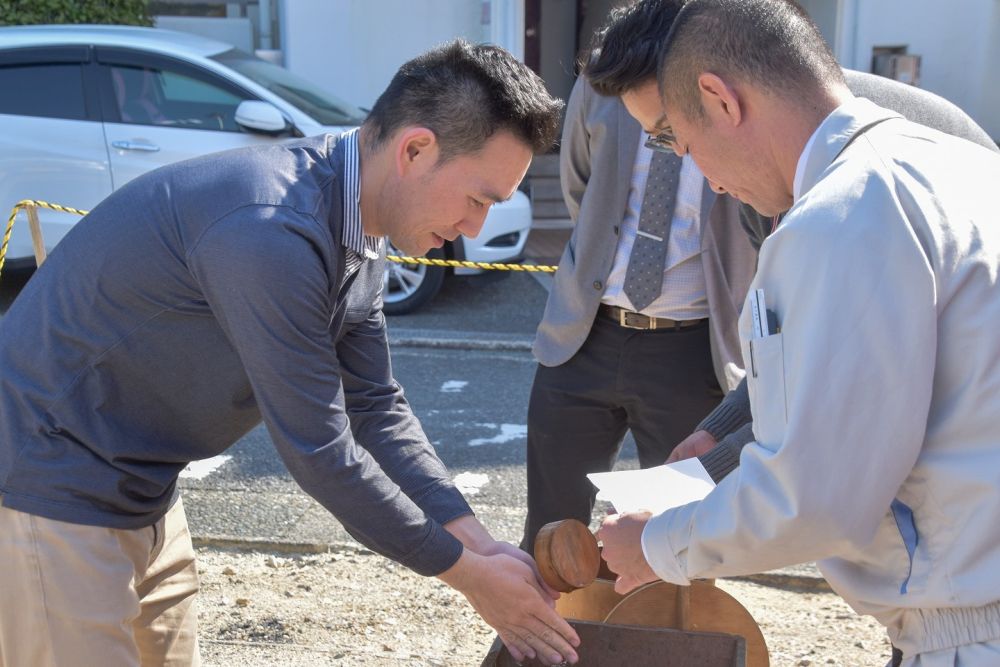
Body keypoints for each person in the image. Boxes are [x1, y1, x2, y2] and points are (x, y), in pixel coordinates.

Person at [0, 40, 580, 667]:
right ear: (415, 150)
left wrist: (478, 542)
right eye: (478, 199)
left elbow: (374, 405)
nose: (474, 227)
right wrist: (469, 576)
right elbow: (321, 449)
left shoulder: (360, 225)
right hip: (47, 476)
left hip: (144, 482)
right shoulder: (270, 227)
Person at [597, 1, 1000, 665]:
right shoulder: (962, 164)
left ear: (717, 98)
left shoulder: (842, 214)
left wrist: (656, 542)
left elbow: (811, 497)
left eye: (681, 144)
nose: (710, 182)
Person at [521, 0, 757, 552]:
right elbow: (580, 188)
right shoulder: (609, 76)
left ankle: (669, 637)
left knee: (681, 532)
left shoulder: (733, 87)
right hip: (584, 333)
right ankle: (550, 634)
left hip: (693, 346)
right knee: (554, 531)